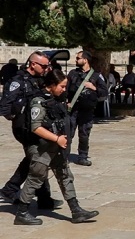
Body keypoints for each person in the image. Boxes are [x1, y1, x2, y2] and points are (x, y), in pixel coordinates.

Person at [14, 69, 99, 225]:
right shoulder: (38, 101)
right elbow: (36, 127)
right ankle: (22, 213)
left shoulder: (55, 99)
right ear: (51, 85)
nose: (64, 89)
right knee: (36, 178)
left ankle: (76, 210)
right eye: (61, 86)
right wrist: (57, 139)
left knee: (65, 175)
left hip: (55, 147)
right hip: (41, 148)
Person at [0, 51, 61, 208]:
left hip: (35, 126)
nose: (46, 69)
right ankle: (13, 190)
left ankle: (42, 198)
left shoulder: (39, 79)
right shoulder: (18, 81)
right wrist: (18, 118)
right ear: (33, 64)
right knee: (38, 159)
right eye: (44, 66)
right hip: (24, 129)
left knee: (36, 160)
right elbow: (5, 107)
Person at [67, 51, 108, 167]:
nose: (76, 60)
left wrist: (93, 87)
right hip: (73, 109)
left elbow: (104, 92)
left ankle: (83, 157)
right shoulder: (73, 73)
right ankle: (63, 157)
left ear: (85, 60)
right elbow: (65, 89)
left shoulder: (96, 75)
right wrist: (66, 102)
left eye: (78, 58)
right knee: (68, 133)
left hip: (87, 110)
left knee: (84, 134)